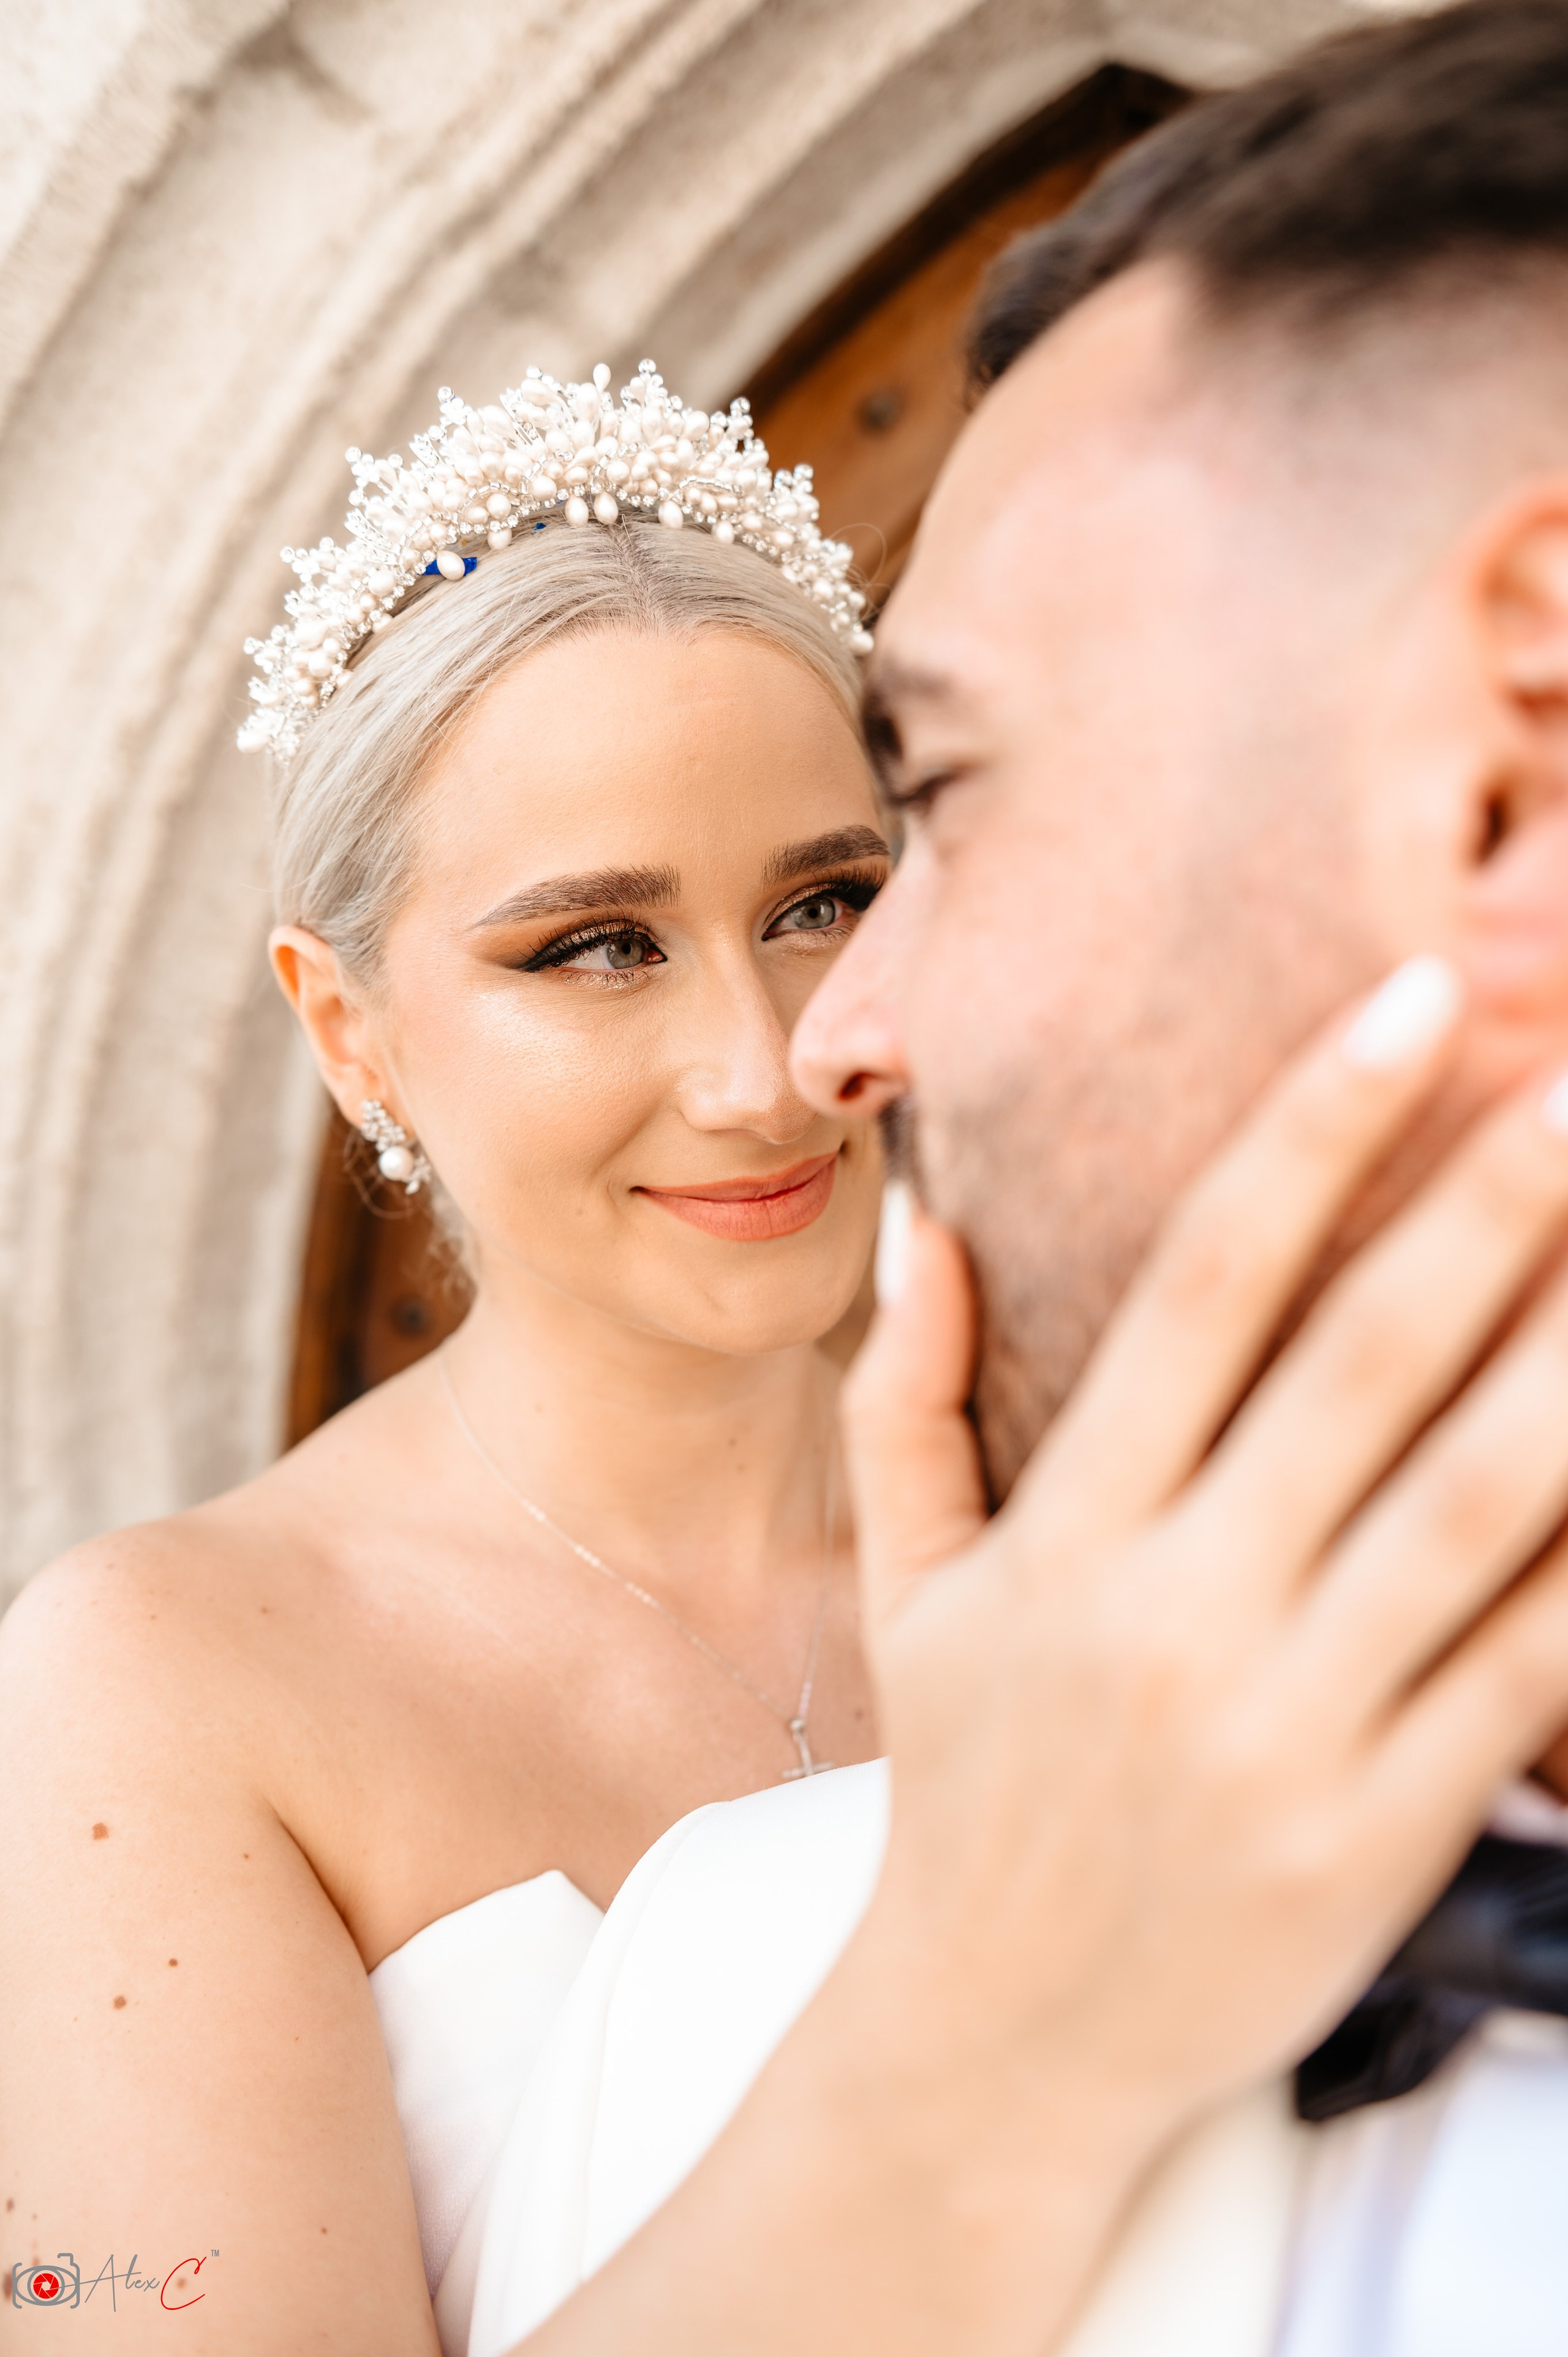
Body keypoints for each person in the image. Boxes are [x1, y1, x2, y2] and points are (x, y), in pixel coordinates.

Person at [5, 21, 1568, 2347]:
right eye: (595, 946)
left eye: (842, 883)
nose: (775, 1065)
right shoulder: (150, 1691)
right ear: (351, 1028)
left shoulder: (1203, 1464)